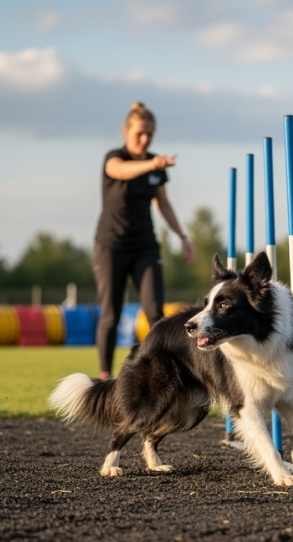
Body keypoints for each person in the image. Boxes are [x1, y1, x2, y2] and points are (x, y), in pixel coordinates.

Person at [93, 102, 195, 380]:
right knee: (111, 314)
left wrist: (183, 237)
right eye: (139, 133)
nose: (145, 139)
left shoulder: (155, 166)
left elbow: (163, 203)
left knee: (155, 313)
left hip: (145, 247)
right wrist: (152, 162)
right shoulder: (114, 158)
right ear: (126, 131)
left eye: (149, 134)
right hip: (110, 246)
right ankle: (105, 376)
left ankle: (161, 374)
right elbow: (121, 171)